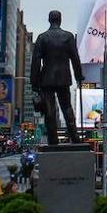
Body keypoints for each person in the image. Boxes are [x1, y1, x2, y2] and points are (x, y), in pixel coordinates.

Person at [30, 10, 84, 146]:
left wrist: (34, 82)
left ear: (49, 20)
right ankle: (75, 138)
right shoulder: (68, 37)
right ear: (60, 20)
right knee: (67, 108)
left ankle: (53, 141)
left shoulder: (42, 38)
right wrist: (79, 76)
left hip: (46, 79)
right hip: (63, 78)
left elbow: (35, 62)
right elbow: (75, 58)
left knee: (50, 111)